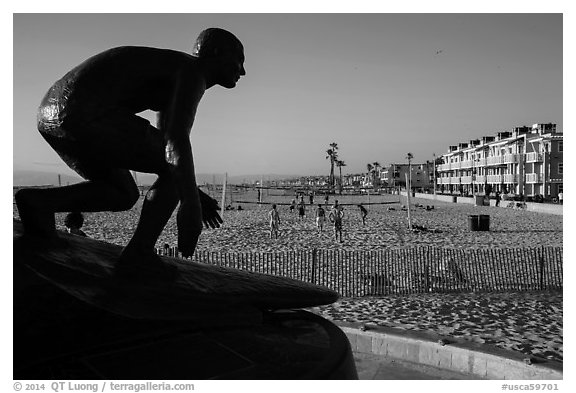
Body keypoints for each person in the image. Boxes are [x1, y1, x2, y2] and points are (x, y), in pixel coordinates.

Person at [15, 28, 245, 270]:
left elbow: (167, 142)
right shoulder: (192, 72)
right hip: (82, 113)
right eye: (239, 59)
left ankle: (38, 203)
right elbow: (175, 145)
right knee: (170, 171)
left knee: (123, 193)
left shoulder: (176, 69)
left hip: (53, 115)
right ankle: (139, 254)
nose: (242, 70)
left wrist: (194, 195)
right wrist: (190, 206)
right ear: (217, 53)